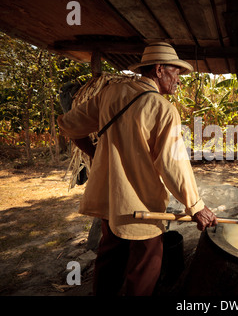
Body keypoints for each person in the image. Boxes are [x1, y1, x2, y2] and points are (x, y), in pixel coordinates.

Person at [57, 42, 218, 296]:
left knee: (109, 260)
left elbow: (69, 125)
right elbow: (173, 164)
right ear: (159, 69)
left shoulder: (111, 94)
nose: (179, 79)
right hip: (142, 206)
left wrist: (96, 152)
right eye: (176, 72)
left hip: (110, 201)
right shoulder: (163, 110)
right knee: (145, 269)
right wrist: (196, 206)